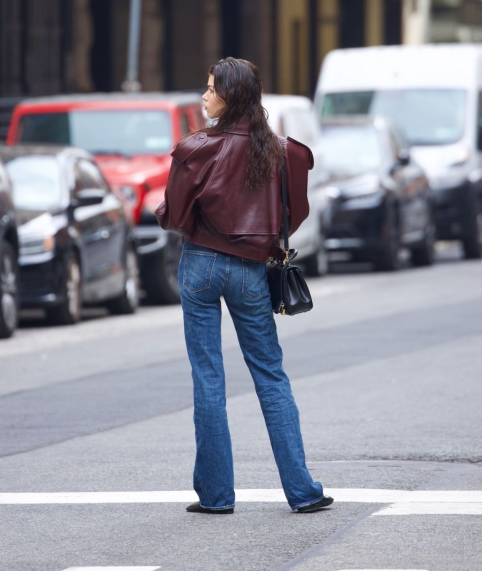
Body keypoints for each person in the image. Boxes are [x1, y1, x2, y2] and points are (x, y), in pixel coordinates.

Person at [155, 57, 333, 514]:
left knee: (208, 378)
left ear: (230, 96)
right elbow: (296, 213)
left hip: (199, 265)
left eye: (211, 88)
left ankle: (216, 496)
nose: (204, 95)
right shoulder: (278, 151)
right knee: (271, 376)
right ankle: (303, 492)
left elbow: (174, 216)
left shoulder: (195, 148)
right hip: (252, 271)